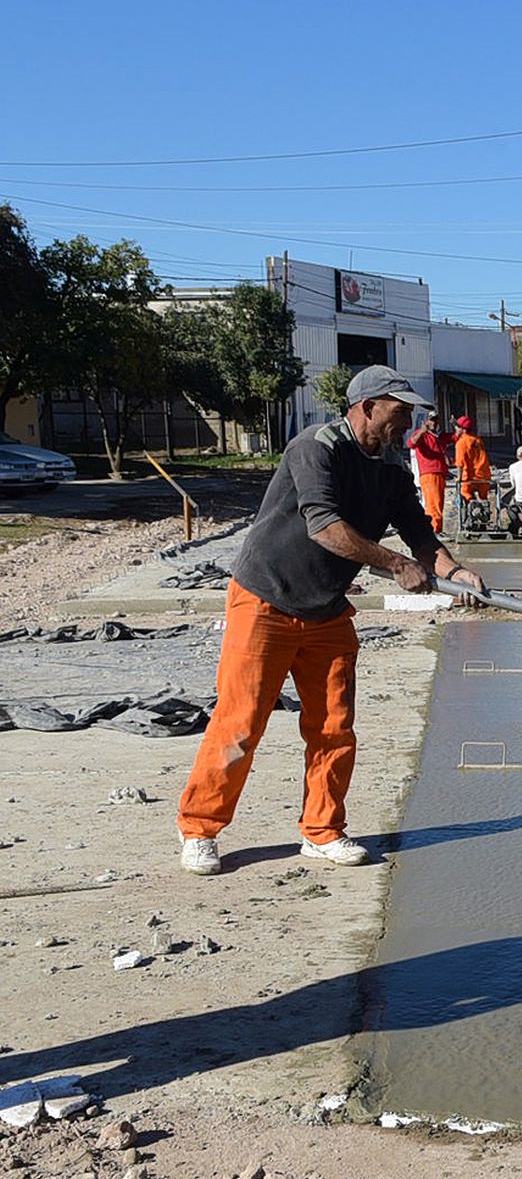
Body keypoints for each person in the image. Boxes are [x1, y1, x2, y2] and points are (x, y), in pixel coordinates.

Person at [175, 366, 488, 876]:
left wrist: (456, 573)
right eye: (400, 411)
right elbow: (324, 527)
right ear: (367, 407)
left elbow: (419, 535)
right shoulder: (315, 447)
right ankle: (199, 829)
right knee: (240, 724)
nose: (408, 422)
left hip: (326, 609)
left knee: (334, 728)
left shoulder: (391, 468)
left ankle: (321, 831)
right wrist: (395, 565)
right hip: (266, 599)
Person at [405, 411, 450, 533]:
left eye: (436, 420)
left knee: (438, 503)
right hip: (429, 474)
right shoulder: (422, 435)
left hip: (439, 473)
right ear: (426, 422)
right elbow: (411, 443)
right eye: (431, 420)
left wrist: (456, 426)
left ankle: (437, 529)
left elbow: (455, 437)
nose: (434, 423)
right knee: (433, 504)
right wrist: (421, 431)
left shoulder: (438, 436)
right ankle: (433, 530)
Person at [452, 415, 493, 527]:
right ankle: (483, 521)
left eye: (457, 427)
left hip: (470, 477)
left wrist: (459, 478)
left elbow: (460, 463)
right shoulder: (477, 440)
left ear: (462, 429)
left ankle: (473, 510)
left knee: (465, 494)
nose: (455, 429)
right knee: (483, 498)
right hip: (484, 475)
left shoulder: (461, 443)